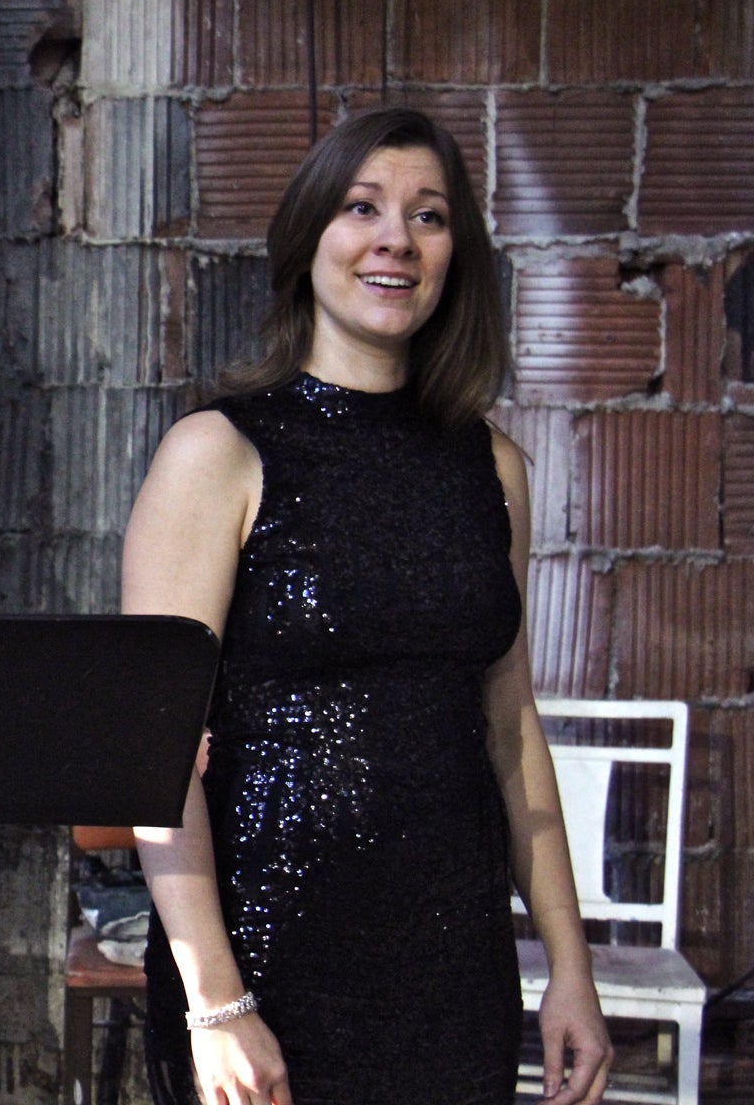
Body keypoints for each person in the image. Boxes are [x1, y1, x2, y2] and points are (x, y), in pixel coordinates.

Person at [121, 107, 612, 1105]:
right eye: (363, 207)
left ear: (454, 257)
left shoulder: (495, 469)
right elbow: (148, 750)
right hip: (266, 964)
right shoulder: (216, 453)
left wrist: (570, 967)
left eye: (429, 216)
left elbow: (511, 730)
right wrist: (214, 1003)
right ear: (309, 239)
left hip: (454, 967)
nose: (397, 237)